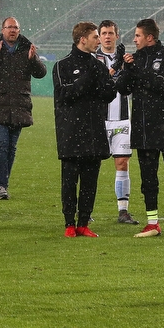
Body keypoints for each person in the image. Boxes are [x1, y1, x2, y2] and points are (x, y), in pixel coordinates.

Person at [116, 18, 164, 239]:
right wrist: (125, 67)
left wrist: (137, 69)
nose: (134, 40)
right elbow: (122, 89)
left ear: (149, 37)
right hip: (143, 128)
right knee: (148, 179)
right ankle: (152, 223)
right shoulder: (134, 60)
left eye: (137, 36)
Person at [53, 22, 117, 237]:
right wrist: (88, 79)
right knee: (70, 181)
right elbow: (64, 95)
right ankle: (69, 224)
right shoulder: (62, 66)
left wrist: (109, 81)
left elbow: (108, 95)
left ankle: (83, 224)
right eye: (95, 36)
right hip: (71, 131)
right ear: (82, 39)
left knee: (90, 181)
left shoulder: (97, 65)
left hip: (94, 131)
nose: (98, 40)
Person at [0, 16, 47, 200]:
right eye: (9, 27)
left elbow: (41, 73)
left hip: (19, 106)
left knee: (11, 147)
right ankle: (0, 185)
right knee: (1, 144)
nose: (13, 30)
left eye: (16, 27)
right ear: (2, 29)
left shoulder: (27, 47)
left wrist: (33, 59)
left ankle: (4, 183)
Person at [95, 20, 139, 225]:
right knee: (91, 165)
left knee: (122, 163)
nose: (107, 36)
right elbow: (98, 84)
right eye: (103, 33)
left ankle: (123, 211)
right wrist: (115, 67)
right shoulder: (93, 59)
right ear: (99, 36)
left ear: (117, 36)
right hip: (98, 120)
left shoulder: (127, 58)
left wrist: (129, 66)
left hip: (122, 119)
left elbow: (132, 86)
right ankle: (85, 211)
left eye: (110, 32)